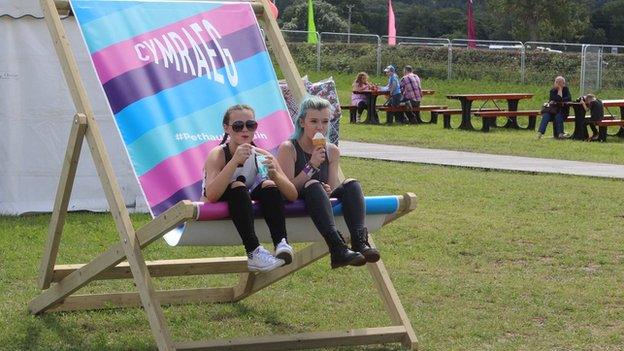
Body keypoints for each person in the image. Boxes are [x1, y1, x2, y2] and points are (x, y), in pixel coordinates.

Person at [277, 96, 381, 269]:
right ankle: (337, 247)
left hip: (319, 200)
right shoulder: (288, 148)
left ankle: (360, 242)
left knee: (352, 184)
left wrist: (326, 189)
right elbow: (288, 190)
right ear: (302, 122)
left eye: (325, 121)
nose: (320, 127)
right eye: (314, 121)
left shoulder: (332, 151)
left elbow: (331, 188)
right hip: (296, 200)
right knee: (313, 185)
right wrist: (311, 166)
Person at [202, 104, 298, 272]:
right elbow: (212, 195)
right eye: (238, 126)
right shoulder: (218, 154)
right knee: (238, 185)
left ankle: (281, 242)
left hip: (241, 204)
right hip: (217, 203)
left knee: (269, 185)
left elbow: (292, 195)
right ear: (226, 128)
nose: (244, 130)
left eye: (250, 125)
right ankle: (253, 252)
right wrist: (233, 162)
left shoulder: (261, 154)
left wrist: (275, 175)